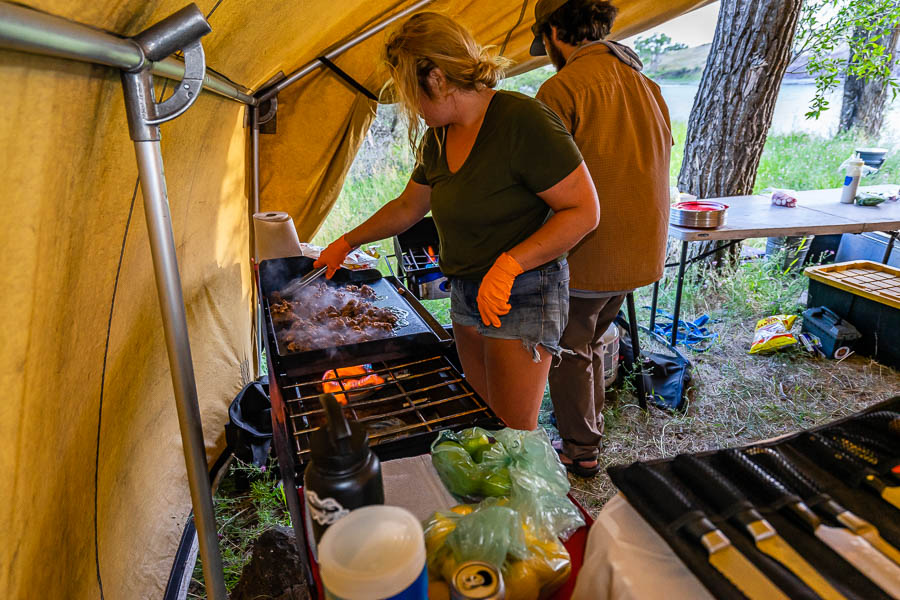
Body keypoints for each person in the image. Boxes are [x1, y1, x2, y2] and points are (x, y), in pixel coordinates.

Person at [314, 12, 600, 430]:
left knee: (512, 430)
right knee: (481, 416)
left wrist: (510, 264)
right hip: (466, 290)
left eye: (411, 92)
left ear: (437, 78)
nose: (410, 106)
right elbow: (408, 207)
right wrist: (347, 242)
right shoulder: (439, 136)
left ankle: (522, 496)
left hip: (520, 292)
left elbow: (584, 211)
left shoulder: (523, 121)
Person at [532, 0, 672, 475]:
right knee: (591, 339)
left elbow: (539, 182)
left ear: (554, 31)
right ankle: (590, 429)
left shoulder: (562, 87)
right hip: (640, 251)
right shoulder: (645, 83)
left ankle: (580, 450)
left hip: (591, 250)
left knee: (569, 348)